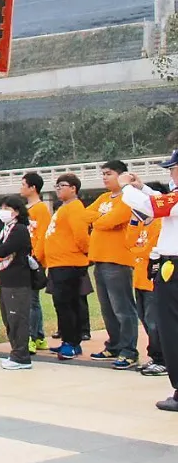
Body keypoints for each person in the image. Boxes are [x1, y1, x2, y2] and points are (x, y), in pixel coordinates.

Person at [119, 151, 178, 411]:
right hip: (171, 265)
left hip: (174, 268)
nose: (171, 174)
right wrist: (141, 187)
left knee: (171, 329)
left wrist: (125, 188)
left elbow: (153, 207)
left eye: (172, 169)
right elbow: (162, 201)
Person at [85, 160, 139, 368]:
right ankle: (114, 345)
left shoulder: (128, 197)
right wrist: (101, 218)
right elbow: (85, 215)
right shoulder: (103, 198)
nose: (105, 177)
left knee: (122, 308)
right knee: (107, 308)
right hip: (99, 259)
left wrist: (99, 219)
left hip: (117, 260)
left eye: (109, 173)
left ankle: (129, 350)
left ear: (121, 175)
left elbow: (111, 220)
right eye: (103, 174)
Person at [43, 174, 90, 359]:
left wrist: (84, 252)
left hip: (69, 264)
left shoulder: (75, 207)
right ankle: (70, 341)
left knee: (66, 304)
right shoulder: (64, 208)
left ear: (73, 188)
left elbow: (81, 235)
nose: (58, 188)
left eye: (62, 185)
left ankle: (71, 342)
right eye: (57, 185)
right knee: (63, 304)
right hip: (58, 264)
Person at [0, 196, 34, 370]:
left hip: (17, 280)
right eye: (2, 208)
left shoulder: (19, 229)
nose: (3, 211)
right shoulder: (5, 229)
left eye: (7, 208)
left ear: (17, 211)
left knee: (18, 318)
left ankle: (21, 356)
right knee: (9, 318)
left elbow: (3, 250)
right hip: (5, 279)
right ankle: (16, 352)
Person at [130, 201, 166, 377]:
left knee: (154, 323)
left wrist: (135, 250)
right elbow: (128, 242)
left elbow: (150, 251)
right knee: (144, 319)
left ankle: (163, 359)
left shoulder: (159, 224)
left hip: (151, 282)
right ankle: (155, 355)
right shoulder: (142, 224)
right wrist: (133, 222)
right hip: (139, 280)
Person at [21, 172, 50, 352]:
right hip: (26, 258)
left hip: (34, 260)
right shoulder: (26, 208)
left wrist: (36, 258)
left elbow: (43, 235)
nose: (21, 187)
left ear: (33, 188)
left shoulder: (41, 209)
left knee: (31, 300)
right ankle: (38, 336)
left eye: (24, 184)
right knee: (33, 300)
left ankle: (32, 337)